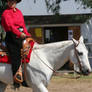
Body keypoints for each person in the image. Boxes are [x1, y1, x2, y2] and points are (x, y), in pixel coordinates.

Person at [1, 0, 31, 85]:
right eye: (10, 1)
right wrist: (19, 33)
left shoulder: (19, 12)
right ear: (7, 2)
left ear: (16, 2)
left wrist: (27, 34)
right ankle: (17, 78)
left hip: (21, 35)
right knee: (16, 54)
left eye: (13, 1)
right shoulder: (5, 13)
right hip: (11, 37)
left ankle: (29, 74)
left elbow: (23, 25)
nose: (11, 3)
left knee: (30, 48)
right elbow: (10, 26)